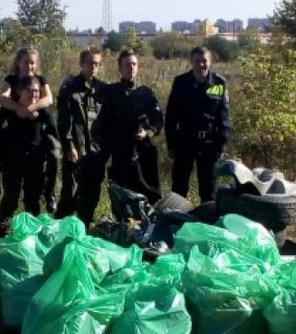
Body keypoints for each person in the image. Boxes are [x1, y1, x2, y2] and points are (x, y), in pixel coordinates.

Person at [0, 46, 59, 213]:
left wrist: (30, 108)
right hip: (14, 136)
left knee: (54, 152)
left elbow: (49, 99)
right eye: (26, 62)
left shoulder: (40, 79)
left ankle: (50, 193)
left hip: (36, 137)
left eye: (32, 63)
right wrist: (19, 108)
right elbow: (3, 99)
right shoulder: (11, 79)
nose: (29, 66)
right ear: (18, 63)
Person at [92, 48, 164, 204]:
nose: (131, 67)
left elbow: (158, 119)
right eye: (127, 65)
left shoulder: (146, 92)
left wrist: (148, 132)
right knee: (122, 197)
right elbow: (101, 121)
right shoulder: (111, 92)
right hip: (120, 152)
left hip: (142, 152)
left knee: (147, 197)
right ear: (120, 68)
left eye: (134, 64)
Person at [0, 75, 60, 237]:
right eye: (29, 91)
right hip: (12, 161)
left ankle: (31, 235)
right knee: (10, 199)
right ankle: (3, 234)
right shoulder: (8, 109)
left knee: (32, 201)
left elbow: (55, 137)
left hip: (35, 162)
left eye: (36, 91)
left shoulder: (43, 112)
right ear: (19, 91)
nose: (34, 94)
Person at [165, 46, 231, 201]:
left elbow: (224, 117)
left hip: (209, 144)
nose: (201, 65)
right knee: (179, 187)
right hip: (185, 141)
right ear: (191, 62)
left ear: (210, 62)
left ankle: (206, 221)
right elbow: (171, 116)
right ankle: (178, 220)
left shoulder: (219, 83)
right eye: (197, 61)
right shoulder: (180, 82)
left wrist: (222, 145)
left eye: (204, 61)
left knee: (208, 189)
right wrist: (171, 145)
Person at [56, 46, 105, 222]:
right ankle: (60, 229)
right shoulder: (69, 87)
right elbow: (64, 119)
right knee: (70, 193)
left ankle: (83, 230)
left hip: (96, 151)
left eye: (97, 64)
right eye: (90, 63)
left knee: (92, 194)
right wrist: (68, 145)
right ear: (81, 63)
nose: (94, 67)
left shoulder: (102, 89)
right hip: (76, 149)